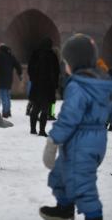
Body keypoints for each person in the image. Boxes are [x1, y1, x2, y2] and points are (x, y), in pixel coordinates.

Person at [40, 33, 112, 220]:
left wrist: (53, 140)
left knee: (83, 186)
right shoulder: (100, 83)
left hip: (82, 143)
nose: (65, 65)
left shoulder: (79, 86)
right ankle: (64, 208)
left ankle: (93, 216)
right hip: (92, 140)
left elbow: (68, 117)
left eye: (66, 61)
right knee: (61, 175)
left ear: (75, 62)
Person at [27, 38, 60, 136]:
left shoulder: (35, 54)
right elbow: (56, 71)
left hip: (37, 86)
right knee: (45, 109)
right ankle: (42, 130)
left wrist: (33, 79)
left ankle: (33, 129)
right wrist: (55, 84)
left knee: (35, 107)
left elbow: (30, 68)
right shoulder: (52, 55)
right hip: (48, 87)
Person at [0, 44, 22, 118]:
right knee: (7, 95)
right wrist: (20, 74)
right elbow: (17, 65)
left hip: (1, 78)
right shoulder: (10, 56)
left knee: (3, 96)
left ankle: (5, 112)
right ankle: (8, 111)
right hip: (9, 79)